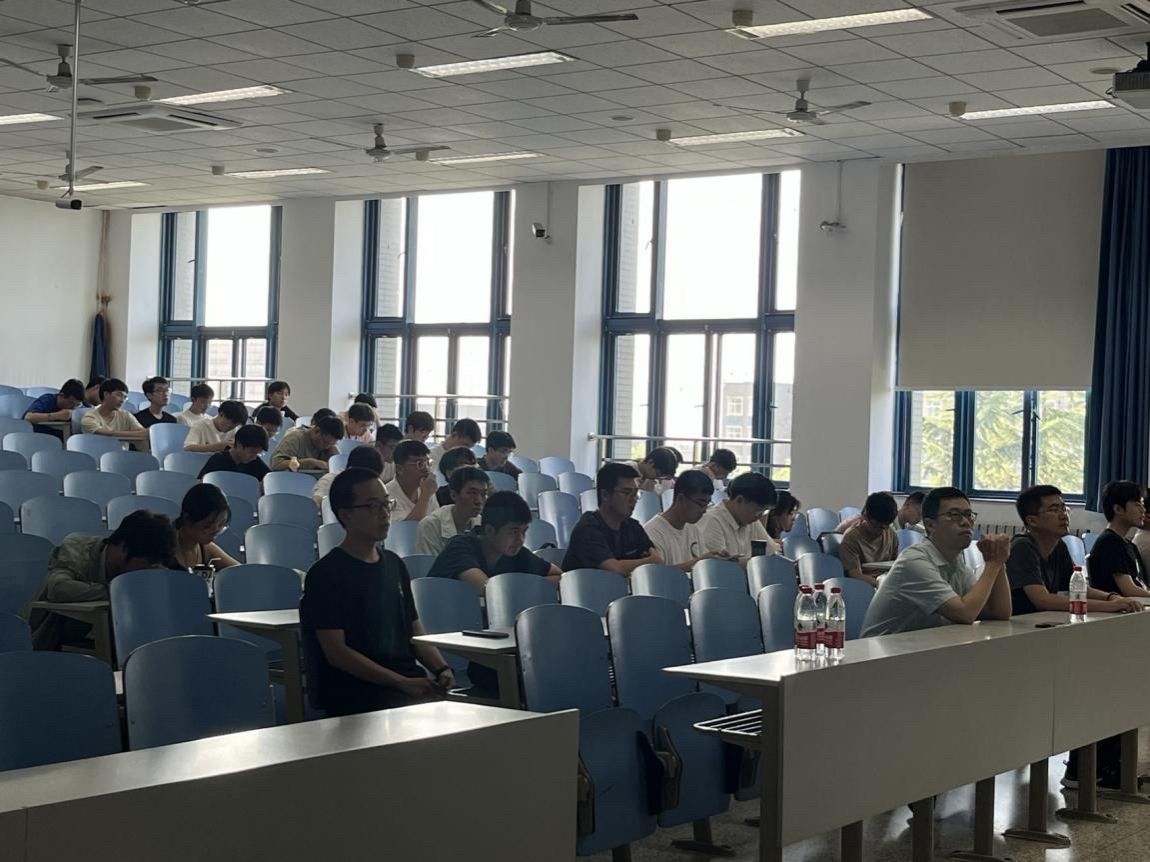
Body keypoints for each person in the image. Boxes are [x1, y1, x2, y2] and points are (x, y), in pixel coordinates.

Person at [300, 467, 453, 717]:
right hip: (358, 693)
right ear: (346, 514)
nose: (384, 514)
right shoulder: (326, 574)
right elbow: (337, 653)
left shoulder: (394, 564)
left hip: (405, 685)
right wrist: (401, 683)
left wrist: (442, 669)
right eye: (373, 506)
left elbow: (414, 631)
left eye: (386, 504)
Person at [860, 487, 1012, 637]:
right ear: (930, 525)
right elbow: (965, 613)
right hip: (881, 650)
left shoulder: (956, 564)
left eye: (968, 515)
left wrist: (999, 562)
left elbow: (999, 613)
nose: (966, 522)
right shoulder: (914, 562)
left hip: (920, 647)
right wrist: (992, 564)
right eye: (954, 515)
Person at [24, 510, 177, 650]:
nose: (147, 571)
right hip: (49, 642)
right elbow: (58, 587)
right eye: (145, 563)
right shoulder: (77, 549)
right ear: (124, 547)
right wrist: (115, 591)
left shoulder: (147, 566)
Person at [1007, 485, 1139, 615]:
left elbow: (1076, 587)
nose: (1063, 515)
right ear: (1032, 521)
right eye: (1054, 510)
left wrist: (1112, 597)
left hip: (1042, 619)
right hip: (1016, 622)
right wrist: (1110, 606)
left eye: (1064, 509)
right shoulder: (1022, 546)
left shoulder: (1059, 545)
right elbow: (1043, 600)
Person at [428, 491, 561, 592]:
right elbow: (488, 590)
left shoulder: (517, 553)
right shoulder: (459, 548)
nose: (520, 539)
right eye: (513, 532)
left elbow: (559, 577)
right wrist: (527, 586)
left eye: (524, 532)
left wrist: (527, 585)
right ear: (490, 531)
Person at [562, 462, 662, 575]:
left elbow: (657, 559)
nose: (633, 499)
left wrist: (649, 561)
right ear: (605, 495)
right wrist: (648, 561)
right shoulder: (587, 529)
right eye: (626, 493)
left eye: (635, 494)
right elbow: (614, 569)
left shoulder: (633, 527)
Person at [644, 470, 726, 571]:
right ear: (681, 499)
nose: (704, 510)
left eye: (707, 504)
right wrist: (699, 562)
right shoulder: (653, 532)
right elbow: (659, 575)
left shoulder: (693, 529)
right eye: (701, 504)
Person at [1087, 480, 1150, 597]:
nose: (1143, 510)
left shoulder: (1130, 545)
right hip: (1119, 606)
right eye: (1137, 505)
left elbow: (1142, 585)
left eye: (1142, 505)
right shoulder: (1109, 542)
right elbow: (1129, 590)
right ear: (1118, 509)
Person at [698, 472, 777, 564]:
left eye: (764, 511)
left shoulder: (751, 520)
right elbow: (720, 565)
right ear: (740, 500)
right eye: (758, 510)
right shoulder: (711, 521)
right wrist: (755, 564)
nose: (759, 517)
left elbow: (771, 553)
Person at [417, 467, 490, 556]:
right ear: (453, 495)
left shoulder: (482, 524)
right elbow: (429, 564)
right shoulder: (431, 526)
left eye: (484, 494)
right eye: (472, 493)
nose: (479, 501)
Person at [171, 484, 239, 571]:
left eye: (221, 524)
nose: (215, 531)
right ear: (187, 518)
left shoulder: (205, 548)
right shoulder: (163, 548)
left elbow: (241, 572)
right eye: (208, 525)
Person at [839, 491, 900, 587]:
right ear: (865, 516)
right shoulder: (850, 538)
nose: (880, 531)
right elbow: (855, 574)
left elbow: (895, 566)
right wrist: (880, 584)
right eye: (876, 526)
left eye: (885, 527)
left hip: (886, 583)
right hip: (864, 586)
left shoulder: (891, 534)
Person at [311, 444, 382, 510]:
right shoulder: (330, 480)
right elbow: (317, 501)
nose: (368, 484)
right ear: (351, 469)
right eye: (364, 478)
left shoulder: (372, 488)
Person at [197, 424, 278, 481]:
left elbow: (271, 480)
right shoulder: (218, 460)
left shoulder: (256, 462)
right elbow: (201, 483)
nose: (254, 457)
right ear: (239, 444)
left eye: (258, 453)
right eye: (252, 452)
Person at [80, 378, 149, 444]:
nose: (122, 400)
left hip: (122, 452)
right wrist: (139, 434)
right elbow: (104, 434)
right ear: (106, 394)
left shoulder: (125, 415)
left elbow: (142, 432)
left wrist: (144, 433)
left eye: (125, 397)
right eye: (119, 395)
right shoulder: (89, 417)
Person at [385, 440, 440, 522]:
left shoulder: (426, 489)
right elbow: (407, 527)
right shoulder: (387, 496)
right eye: (420, 464)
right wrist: (425, 495)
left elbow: (436, 522)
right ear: (400, 469)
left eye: (428, 462)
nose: (426, 469)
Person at [271, 415, 344, 471]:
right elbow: (275, 464)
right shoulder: (295, 438)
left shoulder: (329, 447)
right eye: (325, 442)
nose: (326, 446)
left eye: (331, 444)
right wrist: (306, 463)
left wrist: (335, 459)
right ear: (317, 431)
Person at [184, 400, 248, 453]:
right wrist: (217, 446)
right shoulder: (200, 425)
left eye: (233, 427)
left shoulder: (235, 430)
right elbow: (188, 447)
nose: (229, 428)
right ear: (221, 414)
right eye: (228, 425)